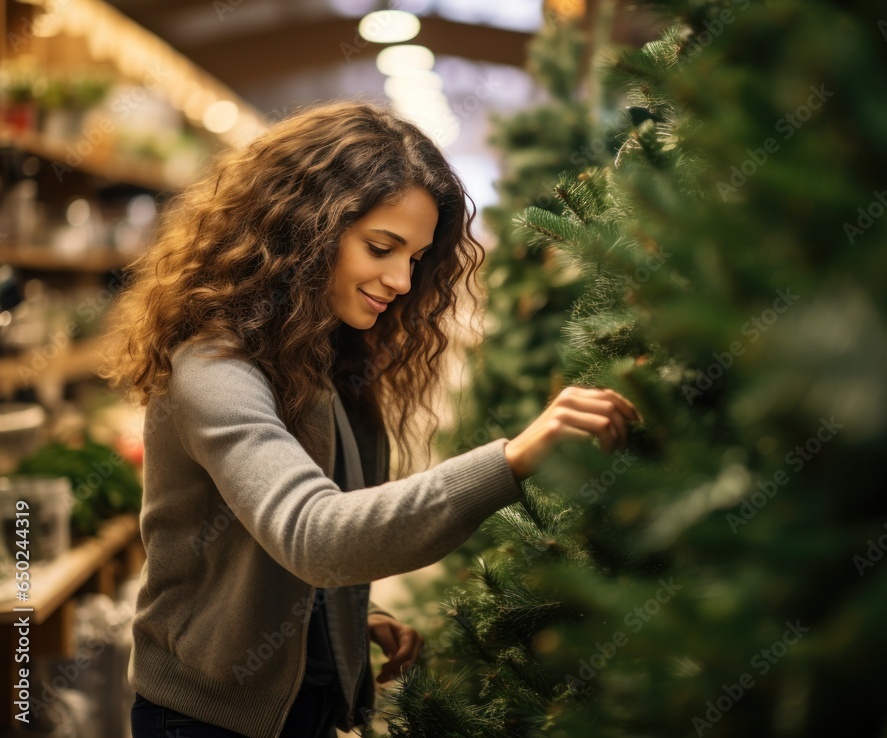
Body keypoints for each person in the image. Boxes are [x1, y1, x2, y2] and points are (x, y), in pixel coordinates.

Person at [101, 101, 641, 738]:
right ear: (302, 230)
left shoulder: (318, 353)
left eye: (413, 258)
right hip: (205, 720)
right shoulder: (213, 369)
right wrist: (511, 461)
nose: (402, 281)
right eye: (381, 248)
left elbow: (274, 548)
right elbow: (312, 534)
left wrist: (342, 621)